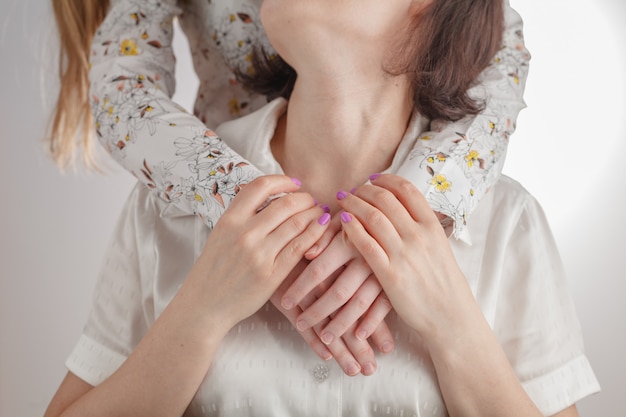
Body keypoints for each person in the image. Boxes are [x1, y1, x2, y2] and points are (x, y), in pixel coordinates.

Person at [44, 0, 600, 415]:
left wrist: (452, 324)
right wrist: (202, 311)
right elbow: (121, 84)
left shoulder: (505, 221)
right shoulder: (162, 212)